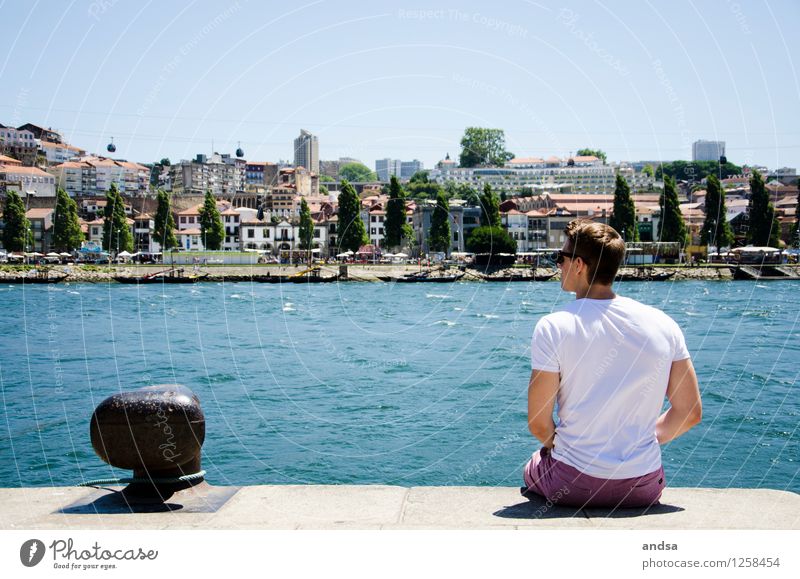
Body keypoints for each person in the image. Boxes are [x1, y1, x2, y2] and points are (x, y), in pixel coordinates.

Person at [523, 219, 702, 508]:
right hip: (643, 486)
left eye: (561, 258)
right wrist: (642, 440)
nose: (559, 265)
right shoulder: (664, 324)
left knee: (534, 463)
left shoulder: (553, 326)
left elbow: (538, 424)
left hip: (572, 484)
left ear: (579, 265)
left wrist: (567, 447)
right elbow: (690, 412)